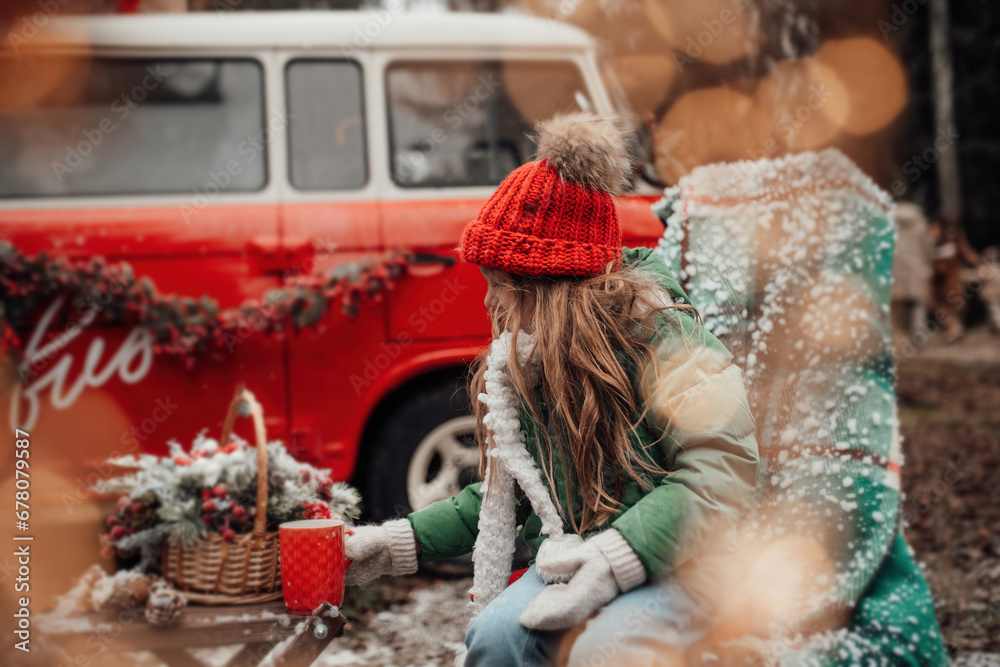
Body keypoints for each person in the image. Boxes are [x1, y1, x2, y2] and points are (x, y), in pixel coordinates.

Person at [344, 113, 760, 666]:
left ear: (549, 287)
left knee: (606, 648)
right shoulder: (532, 361)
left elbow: (722, 469)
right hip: (572, 560)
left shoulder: (665, 339)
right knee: (496, 638)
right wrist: (400, 542)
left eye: (500, 287)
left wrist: (616, 558)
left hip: (682, 563)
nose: (489, 305)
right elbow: (503, 495)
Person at [930, 213, 982, 343]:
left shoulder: (957, 234)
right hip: (937, 271)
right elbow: (926, 247)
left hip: (951, 271)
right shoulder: (934, 231)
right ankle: (953, 328)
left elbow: (965, 250)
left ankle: (954, 329)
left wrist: (980, 262)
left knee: (953, 299)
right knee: (937, 302)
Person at [891, 201, 933, 341]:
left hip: (895, 266)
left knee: (897, 302)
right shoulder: (919, 225)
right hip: (916, 265)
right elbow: (927, 246)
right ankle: (918, 336)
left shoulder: (890, 224)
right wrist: (928, 260)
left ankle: (898, 336)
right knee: (918, 302)